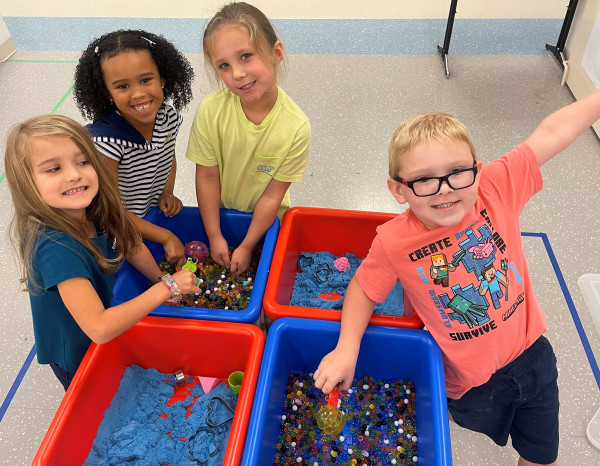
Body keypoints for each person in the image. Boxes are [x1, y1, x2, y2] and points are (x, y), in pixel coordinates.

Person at [314, 89, 600, 466]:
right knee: (476, 423)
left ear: (477, 170)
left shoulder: (495, 188)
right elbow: (365, 289)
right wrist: (346, 349)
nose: (445, 188)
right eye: (424, 180)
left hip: (533, 358)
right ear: (399, 190)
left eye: (457, 173)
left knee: (541, 455)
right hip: (469, 385)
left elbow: (551, 133)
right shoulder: (394, 241)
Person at [4, 115, 200, 391]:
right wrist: (168, 287)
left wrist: (160, 281)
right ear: (27, 183)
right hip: (73, 349)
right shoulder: (55, 247)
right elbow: (99, 327)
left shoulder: (93, 208)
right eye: (53, 169)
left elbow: (132, 247)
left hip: (101, 324)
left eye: (82, 161)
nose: (74, 174)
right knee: (91, 394)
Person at [186, 2, 311, 275]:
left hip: (267, 223)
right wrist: (215, 235)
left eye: (245, 56)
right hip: (219, 216)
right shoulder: (211, 110)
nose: (238, 74)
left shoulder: (296, 127)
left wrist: (247, 245)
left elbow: (272, 197)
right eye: (224, 65)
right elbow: (207, 177)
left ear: (276, 52)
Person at [74, 29, 195, 268]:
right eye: (122, 86)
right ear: (107, 92)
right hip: (116, 234)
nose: (138, 93)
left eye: (145, 80)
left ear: (162, 78)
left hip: (145, 219)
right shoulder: (106, 142)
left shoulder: (168, 118)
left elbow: (168, 161)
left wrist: (166, 193)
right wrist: (166, 236)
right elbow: (110, 212)